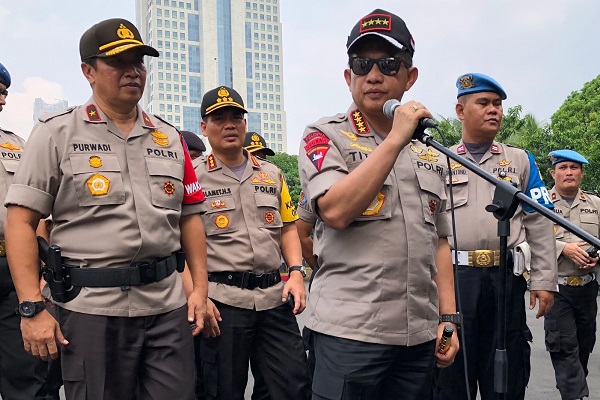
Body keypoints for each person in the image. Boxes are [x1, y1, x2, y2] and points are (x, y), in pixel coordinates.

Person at [4, 18, 209, 400]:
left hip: (166, 307)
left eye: (139, 62)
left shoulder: (170, 138)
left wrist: (200, 289)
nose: (133, 71)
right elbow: (20, 221)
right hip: (92, 311)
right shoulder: (55, 133)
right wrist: (31, 306)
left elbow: (190, 217)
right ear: (88, 71)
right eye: (118, 62)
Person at [297, 9, 459, 400]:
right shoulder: (324, 135)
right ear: (347, 75)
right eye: (361, 64)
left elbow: (440, 240)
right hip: (349, 334)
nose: (373, 75)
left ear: (410, 77)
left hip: (418, 337)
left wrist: (449, 321)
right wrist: (394, 140)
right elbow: (334, 211)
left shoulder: (432, 151)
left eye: (389, 64)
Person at [434, 73, 558, 400]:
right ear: (460, 111)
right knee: (450, 371)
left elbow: (541, 220)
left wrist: (544, 280)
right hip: (454, 281)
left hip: (505, 279)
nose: (495, 110)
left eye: (498, 104)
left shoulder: (520, 160)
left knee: (506, 368)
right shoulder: (438, 161)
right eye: (484, 103)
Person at [195, 85, 310, 400]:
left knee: (291, 385)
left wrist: (297, 272)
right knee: (222, 390)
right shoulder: (192, 177)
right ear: (204, 127)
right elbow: (181, 245)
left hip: (275, 298)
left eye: (236, 117)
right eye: (219, 119)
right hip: (223, 302)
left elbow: (288, 228)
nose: (230, 125)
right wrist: (197, 296)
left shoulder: (271, 174)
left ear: (246, 124)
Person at [0, 62, 51, 399]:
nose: (1, 100)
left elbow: (41, 214)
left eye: (3, 93)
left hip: (13, 274)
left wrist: (42, 270)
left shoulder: (19, 147)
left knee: (26, 377)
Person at [545, 149, 599, 400]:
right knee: (564, 347)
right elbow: (525, 238)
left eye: (574, 168)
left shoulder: (596, 204)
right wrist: (562, 248)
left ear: (582, 172)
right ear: (553, 172)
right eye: (563, 167)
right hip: (557, 289)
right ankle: (574, 396)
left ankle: (574, 391)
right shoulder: (540, 202)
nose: (569, 172)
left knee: (584, 346)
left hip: (588, 289)